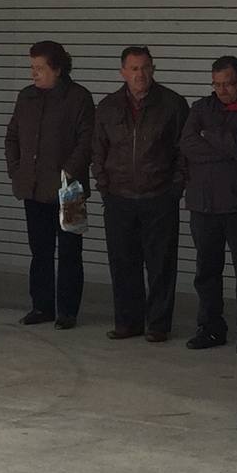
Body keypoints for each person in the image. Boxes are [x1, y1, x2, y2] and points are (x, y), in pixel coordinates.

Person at [92, 46, 189, 339]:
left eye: (145, 67)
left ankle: (158, 325)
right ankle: (127, 323)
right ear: (122, 72)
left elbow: (183, 151)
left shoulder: (172, 104)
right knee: (123, 264)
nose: (140, 74)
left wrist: (174, 188)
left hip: (158, 197)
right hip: (119, 197)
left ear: (153, 69)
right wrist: (104, 186)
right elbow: (98, 149)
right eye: (133, 68)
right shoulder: (108, 107)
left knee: (161, 265)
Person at [8, 41, 94, 327]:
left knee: (70, 251)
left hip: (70, 191)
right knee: (40, 251)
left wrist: (68, 171)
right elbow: (12, 137)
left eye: (40, 68)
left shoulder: (78, 97)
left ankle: (67, 311)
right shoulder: (26, 97)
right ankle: (41, 306)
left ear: (57, 69)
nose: (34, 73)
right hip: (33, 188)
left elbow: (87, 141)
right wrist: (17, 171)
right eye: (32, 68)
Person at [178, 55, 237, 345]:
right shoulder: (199, 108)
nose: (222, 90)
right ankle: (209, 327)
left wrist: (210, 136)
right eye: (217, 84)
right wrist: (226, 147)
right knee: (206, 271)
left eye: (228, 84)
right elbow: (187, 145)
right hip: (203, 204)